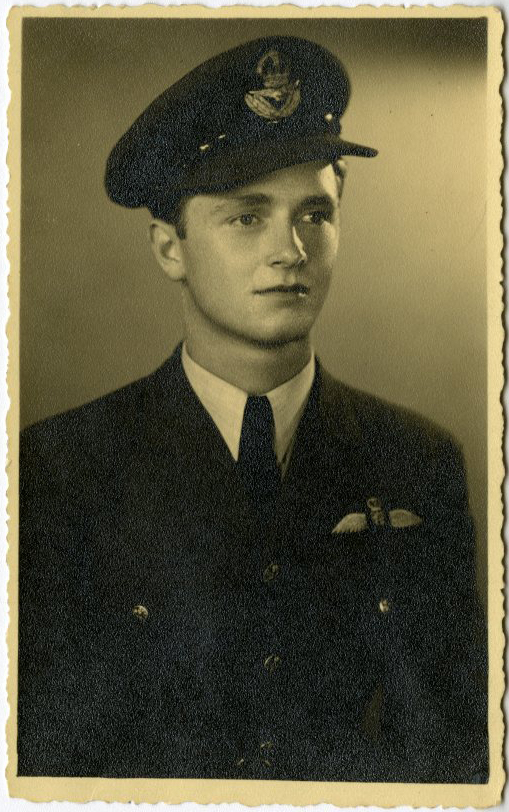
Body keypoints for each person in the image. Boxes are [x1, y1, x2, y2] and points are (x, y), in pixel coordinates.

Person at [17, 35, 488, 783]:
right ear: (170, 247)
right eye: (246, 217)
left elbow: (452, 748)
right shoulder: (60, 468)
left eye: (314, 214)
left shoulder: (415, 458)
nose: (290, 251)